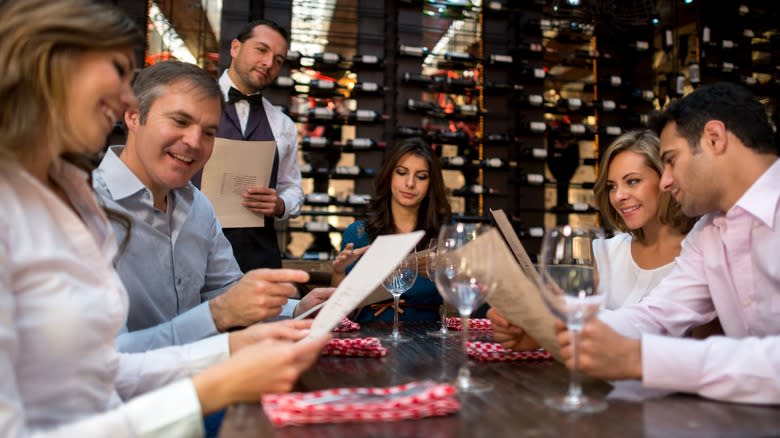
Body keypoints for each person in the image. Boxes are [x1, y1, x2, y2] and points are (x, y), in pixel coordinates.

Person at [0, 1, 330, 435]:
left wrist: (257, 330)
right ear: (50, 69)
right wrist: (212, 379)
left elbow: (100, 371)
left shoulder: (72, 196)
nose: (123, 95)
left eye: (209, 131)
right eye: (117, 71)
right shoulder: (68, 207)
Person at [556, 82, 780, 404]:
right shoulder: (708, 232)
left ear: (714, 139)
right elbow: (658, 315)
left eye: (671, 160)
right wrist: (557, 328)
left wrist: (643, 359)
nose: (665, 180)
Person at [93, 60, 332, 353]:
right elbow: (107, 357)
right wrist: (217, 315)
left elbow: (225, 288)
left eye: (209, 132)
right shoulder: (85, 208)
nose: (195, 142)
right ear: (132, 116)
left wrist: (296, 308)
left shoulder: (199, 206)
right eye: (180, 121)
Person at [489, 130, 697, 350]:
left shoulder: (699, 255)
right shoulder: (605, 251)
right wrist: (530, 331)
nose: (619, 196)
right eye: (612, 186)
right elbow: (571, 325)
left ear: (666, 179)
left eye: (632, 181)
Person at [213, 19, 303, 271]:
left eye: (278, 60)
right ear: (235, 48)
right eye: (261, 50)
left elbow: (293, 188)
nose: (268, 63)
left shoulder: (283, 124)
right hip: (194, 251)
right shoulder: (195, 104)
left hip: (258, 259)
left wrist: (280, 204)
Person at [331, 138, 452, 322]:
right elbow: (339, 314)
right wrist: (339, 272)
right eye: (402, 173)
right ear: (389, 176)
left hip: (428, 341)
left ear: (430, 184)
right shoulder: (357, 233)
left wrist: (445, 274)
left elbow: (467, 296)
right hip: (367, 339)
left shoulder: (445, 234)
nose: (410, 183)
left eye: (421, 176)